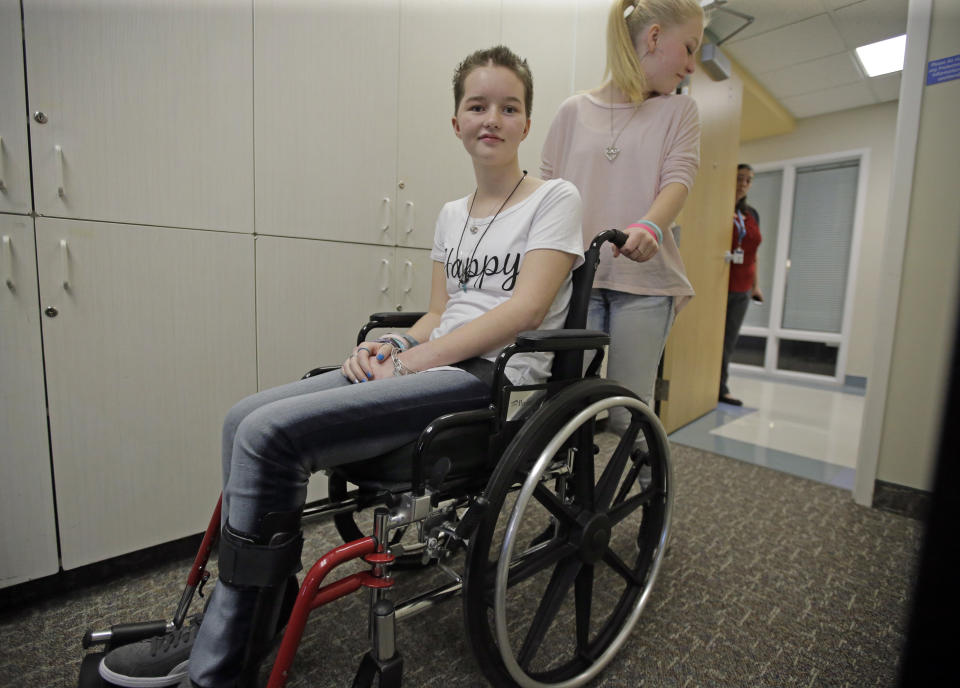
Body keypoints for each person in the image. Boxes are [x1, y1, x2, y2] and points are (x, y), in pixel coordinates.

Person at [97, 45, 584, 688]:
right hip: (435, 363)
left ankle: (220, 665)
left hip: (489, 380)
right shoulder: (451, 214)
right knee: (241, 417)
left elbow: (526, 310)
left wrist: (414, 364)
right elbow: (441, 313)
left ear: (526, 122)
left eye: (509, 106)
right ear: (456, 122)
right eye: (477, 105)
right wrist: (392, 346)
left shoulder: (555, 197)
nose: (492, 117)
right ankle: (256, 612)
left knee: (271, 437)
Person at [540, 0, 704, 439]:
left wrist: (649, 225)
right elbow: (546, 193)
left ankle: (654, 492)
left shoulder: (679, 112)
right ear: (653, 38)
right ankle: (576, 505)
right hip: (580, 281)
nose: (691, 65)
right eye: (689, 48)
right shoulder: (572, 112)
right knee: (571, 410)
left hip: (645, 283)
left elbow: (678, 180)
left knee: (626, 413)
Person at [719, 163, 763, 406]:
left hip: (743, 286)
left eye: (749, 180)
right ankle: (705, 387)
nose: (744, 184)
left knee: (729, 341)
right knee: (713, 339)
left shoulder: (751, 214)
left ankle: (721, 387)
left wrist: (756, 286)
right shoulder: (721, 209)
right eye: (740, 178)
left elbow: (753, 253)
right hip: (719, 284)